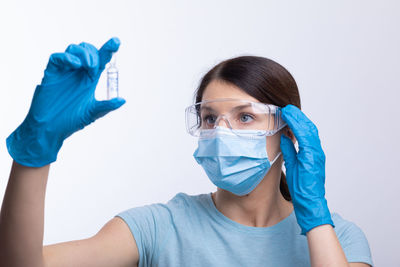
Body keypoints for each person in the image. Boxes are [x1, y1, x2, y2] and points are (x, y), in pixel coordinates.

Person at [0, 38, 373, 267]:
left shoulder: (339, 239)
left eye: (245, 116)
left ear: (289, 130)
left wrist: (315, 218)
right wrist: (35, 151)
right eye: (210, 118)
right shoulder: (159, 228)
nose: (221, 132)